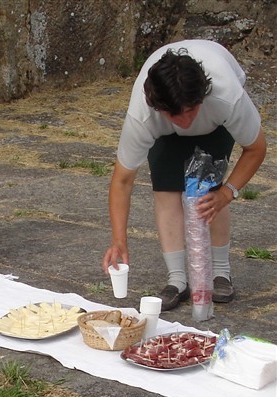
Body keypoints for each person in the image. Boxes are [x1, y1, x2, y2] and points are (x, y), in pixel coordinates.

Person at [102, 40, 266, 311]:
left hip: (214, 122)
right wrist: (118, 240)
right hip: (163, 128)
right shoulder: (144, 114)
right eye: (175, 115)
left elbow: (256, 147)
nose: (185, 121)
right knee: (166, 189)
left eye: (190, 111)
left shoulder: (226, 97)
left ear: (202, 97)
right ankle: (176, 279)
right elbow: (122, 180)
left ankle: (220, 272)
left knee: (210, 191)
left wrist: (228, 192)